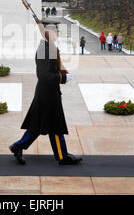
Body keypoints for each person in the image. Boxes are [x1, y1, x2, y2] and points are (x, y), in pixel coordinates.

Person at [9, 27, 83, 166]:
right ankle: (62, 156)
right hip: (47, 94)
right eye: (55, 31)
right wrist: (62, 78)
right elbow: (43, 76)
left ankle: (18, 146)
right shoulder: (44, 49)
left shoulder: (49, 47)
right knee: (55, 125)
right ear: (48, 33)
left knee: (38, 125)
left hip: (49, 92)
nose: (57, 33)